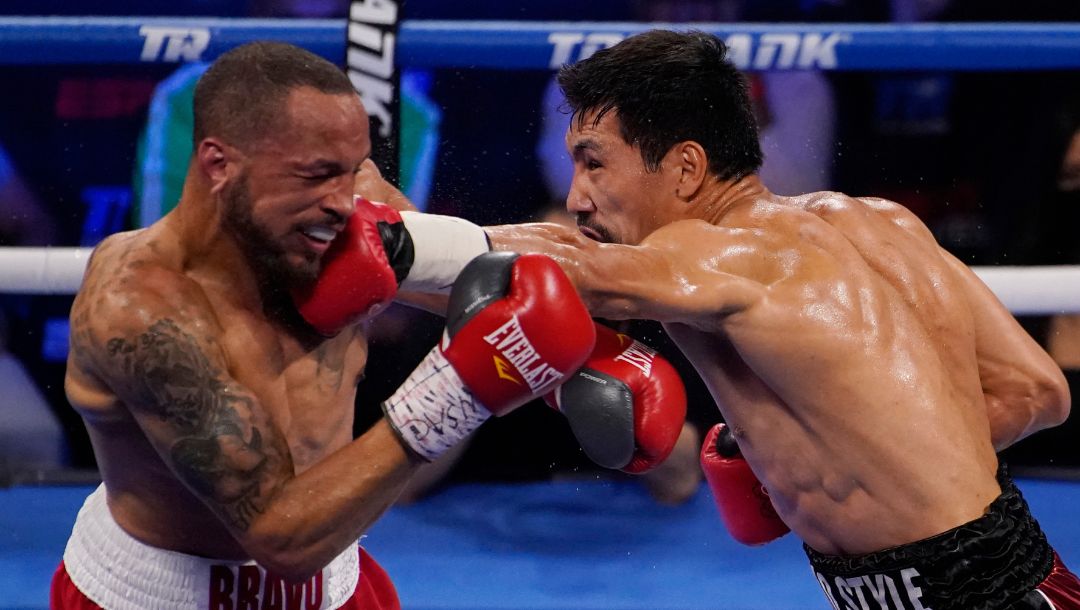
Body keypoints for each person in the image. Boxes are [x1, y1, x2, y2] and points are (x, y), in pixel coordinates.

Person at [52, 41, 686, 610]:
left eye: (352, 168)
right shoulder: (140, 308)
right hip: (172, 591)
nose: (345, 199)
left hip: (336, 580)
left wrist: (582, 356)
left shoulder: (335, 213)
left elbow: (474, 287)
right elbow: (280, 535)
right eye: (316, 174)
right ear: (220, 165)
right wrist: (460, 389)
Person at [476, 30, 1080, 608]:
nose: (578, 196)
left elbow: (564, 271)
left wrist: (398, 241)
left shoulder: (715, 250)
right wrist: (873, 450)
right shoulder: (882, 222)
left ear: (686, 167)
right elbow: (1037, 390)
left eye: (594, 163)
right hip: (1025, 569)